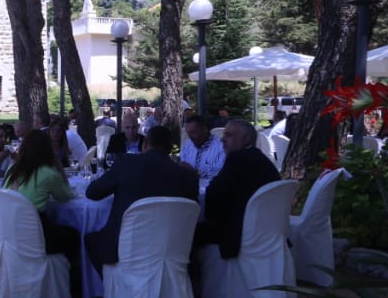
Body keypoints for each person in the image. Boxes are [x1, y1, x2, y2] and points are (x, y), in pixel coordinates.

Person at [84, 126, 199, 270]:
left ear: (144, 144)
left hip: (124, 250)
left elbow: (92, 193)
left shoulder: (126, 163)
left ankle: (114, 282)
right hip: (172, 252)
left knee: (91, 239)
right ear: (170, 148)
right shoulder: (189, 176)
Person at [0, 128, 82, 296]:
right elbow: (66, 196)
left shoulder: (12, 170)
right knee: (73, 235)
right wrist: (58, 166)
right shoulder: (48, 173)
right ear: (47, 149)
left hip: (10, 234)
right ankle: (73, 293)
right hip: (36, 237)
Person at [197, 120, 281, 259]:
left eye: (229, 135)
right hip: (267, 230)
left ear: (246, 139)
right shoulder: (261, 159)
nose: (222, 139)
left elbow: (213, 197)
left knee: (185, 232)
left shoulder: (238, 159)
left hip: (240, 233)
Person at [180, 114, 226, 196]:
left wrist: (195, 173)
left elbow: (221, 176)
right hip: (187, 190)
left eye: (193, 132)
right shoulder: (188, 144)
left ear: (204, 129)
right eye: (188, 133)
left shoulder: (221, 148)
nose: (190, 136)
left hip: (211, 193)